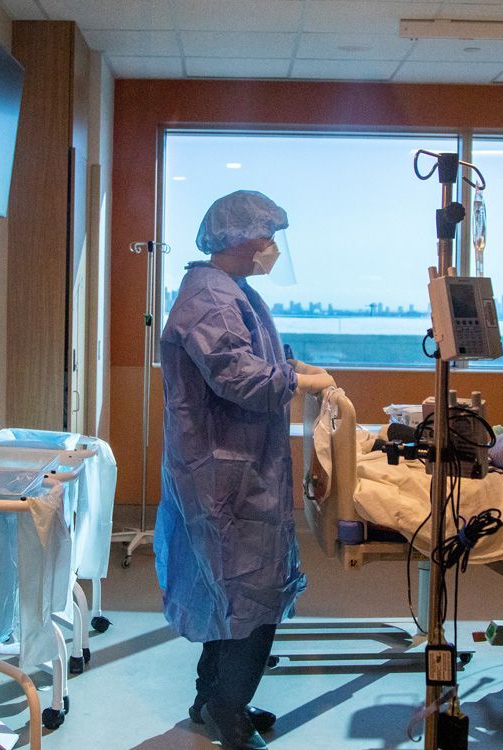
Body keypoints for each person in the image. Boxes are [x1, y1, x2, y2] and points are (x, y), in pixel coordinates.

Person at [154, 190, 334, 750]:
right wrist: (297, 382)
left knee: (227, 593)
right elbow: (239, 378)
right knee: (249, 597)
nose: (272, 247)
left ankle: (211, 698)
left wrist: (292, 366)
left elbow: (249, 359)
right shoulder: (210, 297)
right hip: (225, 474)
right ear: (238, 238)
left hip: (238, 467)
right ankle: (227, 711)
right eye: (268, 235)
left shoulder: (230, 291)